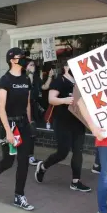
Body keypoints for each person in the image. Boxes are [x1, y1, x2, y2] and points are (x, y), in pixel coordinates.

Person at [0, 47, 35, 211]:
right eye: (22, 57)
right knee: (8, 161)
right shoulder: (5, 81)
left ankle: (19, 195)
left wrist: (29, 122)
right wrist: (8, 131)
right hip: (9, 125)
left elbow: (27, 103)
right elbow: (1, 109)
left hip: (23, 125)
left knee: (24, 161)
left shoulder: (26, 80)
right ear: (12, 60)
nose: (25, 59)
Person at [34, 60, 91, 192]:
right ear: (66, 67)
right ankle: (43, 166)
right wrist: (65, 100)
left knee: (78, 151)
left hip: (78, 122)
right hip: (62, 122)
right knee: (62, 152)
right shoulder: (59, 81)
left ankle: (76, 181)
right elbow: (51, 99)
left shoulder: (79, 82)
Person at [26, 59, 55, 165]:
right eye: (31, 65)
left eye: (34, 65)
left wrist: (50, 76)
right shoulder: (23, 78)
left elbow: (44, 87)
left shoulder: (37, 78)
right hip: (24, 107)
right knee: (29, 132)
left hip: (33, 107)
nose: (33, 66)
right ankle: (27, 156)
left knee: (31, 133)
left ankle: (29, 156)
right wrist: (29, 75)